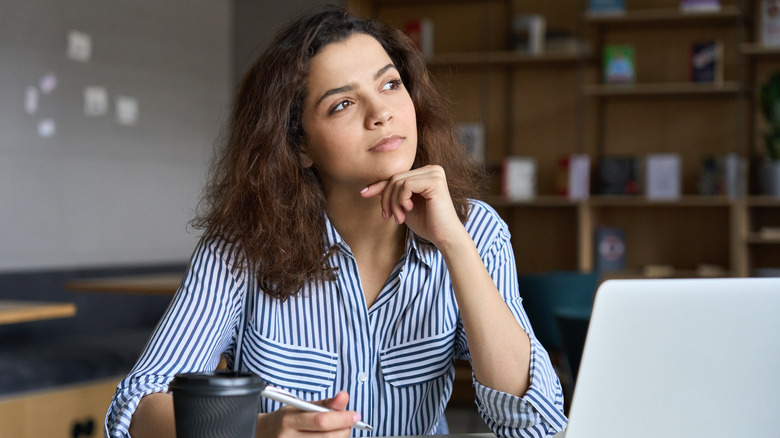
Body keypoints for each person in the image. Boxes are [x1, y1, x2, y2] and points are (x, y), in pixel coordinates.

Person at [105, 5, 566, 438]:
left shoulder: (475, 230)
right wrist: (259, 431)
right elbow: (136, 409)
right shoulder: (242, 247)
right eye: (342, 104)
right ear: (300, 146)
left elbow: (536, 423)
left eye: (389, 85)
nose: (381, 112)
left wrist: (455, 244)